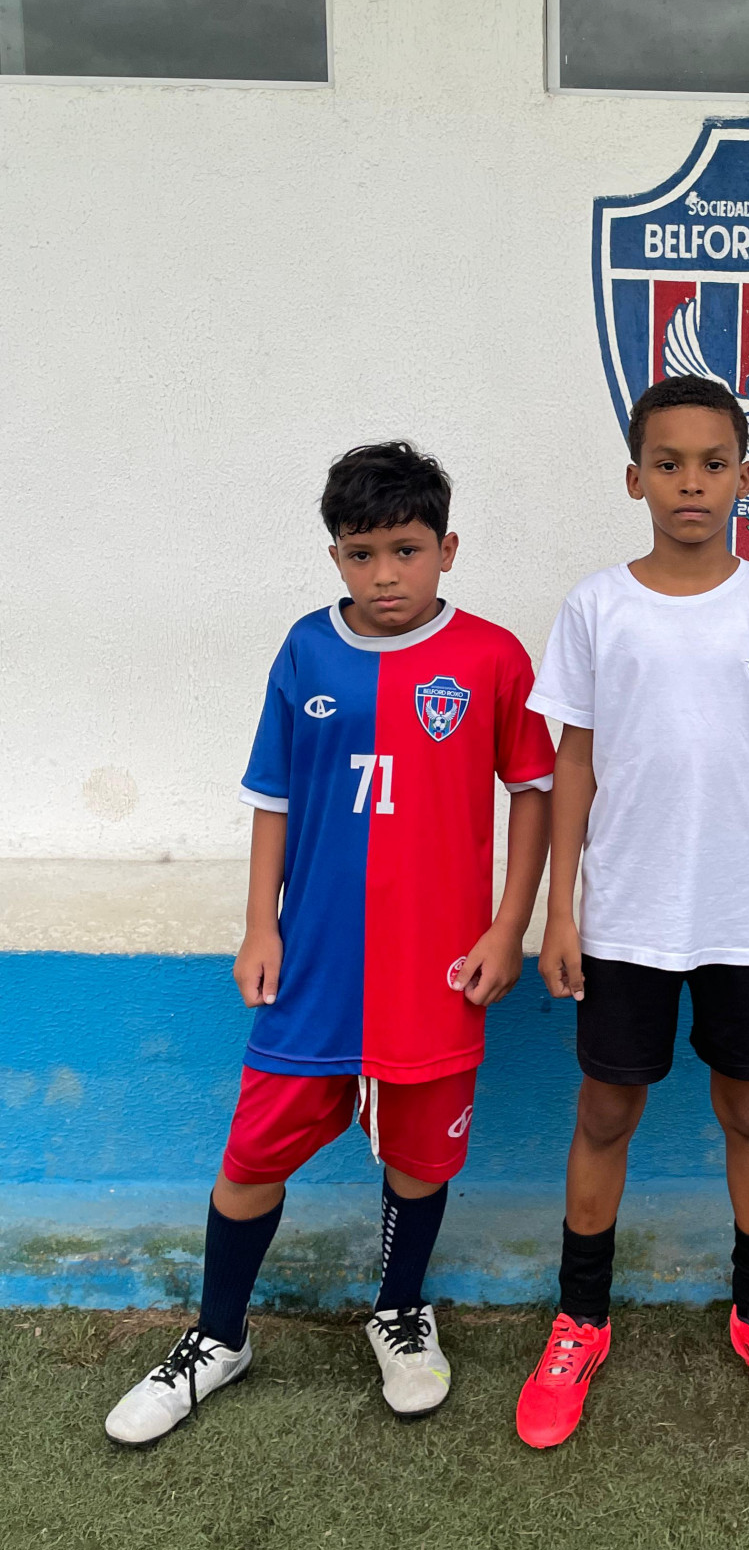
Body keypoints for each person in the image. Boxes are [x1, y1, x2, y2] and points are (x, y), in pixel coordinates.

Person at [105, 441, 554, 1446]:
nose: (384, 575)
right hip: (313, 964)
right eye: (359, 554)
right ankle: (220, 1337)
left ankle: (398, 1310)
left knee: (418, 1162)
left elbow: (533, 793)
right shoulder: (305, 650)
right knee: (251, 1158)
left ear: (448, 549)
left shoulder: (491, 657)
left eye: (405, 550)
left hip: (438, 967)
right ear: (335, 556)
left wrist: (507, 925)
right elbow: (274, 799)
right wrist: (259, 922)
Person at [514, 374, 749, 1449]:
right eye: (669, 463)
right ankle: (580, 1317)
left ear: (747, 478)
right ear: (634, 478)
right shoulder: (596, 606)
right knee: (606, 1113)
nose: (691, 482)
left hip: (745, 916)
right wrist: (560, 913)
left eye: (713, 463)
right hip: (623, 919)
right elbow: (573, 763)